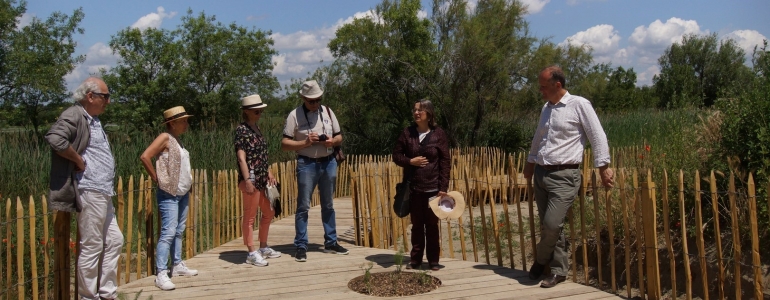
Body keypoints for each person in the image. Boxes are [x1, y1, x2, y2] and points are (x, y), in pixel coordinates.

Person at [523, 65, 614, 288]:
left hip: (565, 175)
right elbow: (539, 138)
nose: (541, 91)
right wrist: (530, 162)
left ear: (557, 85)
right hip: (542, 173)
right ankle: (558, 270)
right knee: (548, 226)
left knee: (552, 224)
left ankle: (541, 260)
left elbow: (597, 135)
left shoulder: (579, 105)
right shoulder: (547, 108)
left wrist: (603, 167)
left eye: (544, 87)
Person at [45, 77, 124, 300]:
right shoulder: (75, 114)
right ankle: (88, 297)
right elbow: (55, 138)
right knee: (92, 245)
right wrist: (78, 160)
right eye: (105, 96)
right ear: (90, 96)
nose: (108, 101)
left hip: (102, 190)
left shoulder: (93, 118)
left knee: (115, 240)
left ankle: (107, 293)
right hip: (89, 188)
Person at [281, 79, 348, 262]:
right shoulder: (294, 115)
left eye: (318, 99)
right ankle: (301, 245)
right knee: (303, 206)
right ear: (303, 98)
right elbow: (285, 144)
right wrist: (306, 142)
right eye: (311, 101)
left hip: (328, 162)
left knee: (328, 204)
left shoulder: (327, 111)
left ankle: (331, 242)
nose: (315, 104)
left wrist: (331, 142)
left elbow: (339, 136)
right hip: (307, 163)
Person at [139, 106, 198, 291]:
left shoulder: (177, 140)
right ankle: (161, 273)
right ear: (172, 123)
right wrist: (157, 178)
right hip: (169, 193)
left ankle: (177, 264)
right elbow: (145, 156)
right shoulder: (164, 137)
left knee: (178, 230)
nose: (186, 124)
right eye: (183, 121)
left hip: (181, 193)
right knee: (168, 232)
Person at [392, 99, 451, 271]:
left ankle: (433, 261)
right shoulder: (407, 133)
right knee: (417, 226)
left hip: (433, 188)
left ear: (429, 113)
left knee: (432, 226)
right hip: (414, 189)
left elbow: (445, 162)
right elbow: (396, 156)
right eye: (415, 109)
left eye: (421, 110)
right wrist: (411, 161)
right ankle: (415, 260)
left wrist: (443, 187)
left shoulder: (439, 134)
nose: (416, 113)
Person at [235, 94, 281, 267]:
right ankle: (251, 251)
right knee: (250, 216)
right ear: (247, 112)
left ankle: (263, 246)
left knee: (269, 211)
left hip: (262, 178)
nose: (259, 113)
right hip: (251, 179)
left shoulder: (257, 128)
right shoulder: (242, 130)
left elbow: (260, 155)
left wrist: (269, 171)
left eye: (260, 110)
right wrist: (247, 179)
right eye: (256, 111)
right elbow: (242, 157)